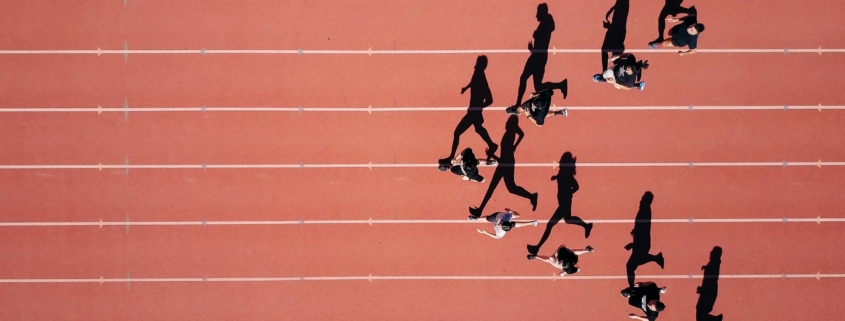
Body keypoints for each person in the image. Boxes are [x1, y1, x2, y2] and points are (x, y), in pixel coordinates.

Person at [439, 56, 498, 169]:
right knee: (478, 128)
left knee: (457, 132)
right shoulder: (477, 73)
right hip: (473, 111)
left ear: (481, 65)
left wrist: (479, 107)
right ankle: (492, 144)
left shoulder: (481, 77)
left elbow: (490, 100)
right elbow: (473, 82)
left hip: (473, 112)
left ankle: (451, 157)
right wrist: (466, 88)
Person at [513, 3, 568, 110]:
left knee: (524, 78)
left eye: (538, 13)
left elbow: (542, 41)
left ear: (542, 13)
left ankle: (518, 104)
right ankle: (561, 85)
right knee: (537, 86)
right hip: (539, 56)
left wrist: (533, 48)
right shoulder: (545, 24)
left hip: (537, 57)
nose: (536, 15)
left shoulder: (545, 25)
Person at [527, 244, 593, 276]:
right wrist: (553, 255)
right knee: (549, 260)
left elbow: (578, 269)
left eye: (561, 266)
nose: (560, 265)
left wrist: (564, 273)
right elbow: (562, 246)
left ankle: (588, 250)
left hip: (572, 259)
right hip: (568, 254)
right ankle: (536, 257)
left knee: (550, 261)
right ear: (563, 260)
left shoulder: (570, 271)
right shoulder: (563, 253)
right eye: (561, 263)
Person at [471, 208, 538, 239]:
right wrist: (512, 211)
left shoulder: (500, 233)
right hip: (496, 215)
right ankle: (476, 218)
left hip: (506, 224)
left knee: (513, 224)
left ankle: (531, 223)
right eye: (501, 222)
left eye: (500, 224)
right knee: (487, 218)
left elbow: (496, 237)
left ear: (502, 228)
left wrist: (485, 232)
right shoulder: (506, 216)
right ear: (505, 221)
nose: (499, 222)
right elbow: (518, 215)